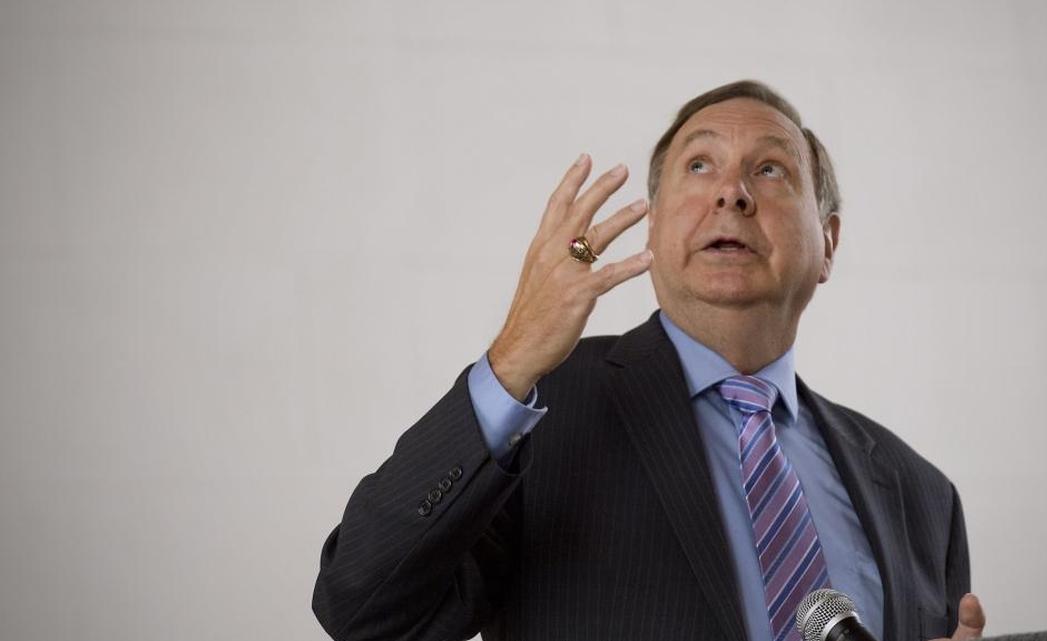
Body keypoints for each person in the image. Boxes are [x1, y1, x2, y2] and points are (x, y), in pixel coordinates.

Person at [311, 79, 986, 641]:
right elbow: (363, 609)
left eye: (770, 168)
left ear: (828, 242)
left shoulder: (921, 493)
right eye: (700, 165)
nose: (733, 193)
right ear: (656, 228)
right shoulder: (542, 412)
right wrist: (513, 356)